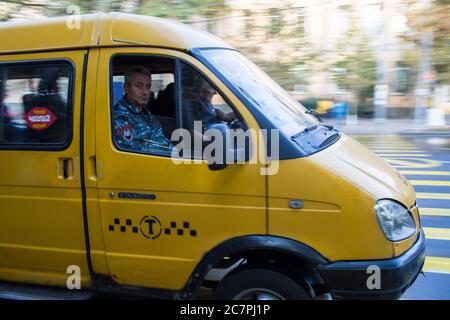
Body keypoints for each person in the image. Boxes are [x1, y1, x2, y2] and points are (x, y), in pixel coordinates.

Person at [113, 65, 172, 154]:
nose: (145, 92)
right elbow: (133, 151)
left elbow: (163, 141)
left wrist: (176, 153)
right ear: (126, 88)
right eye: (138, 86)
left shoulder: (146, 114)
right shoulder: (119, 116)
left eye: (148, 86)